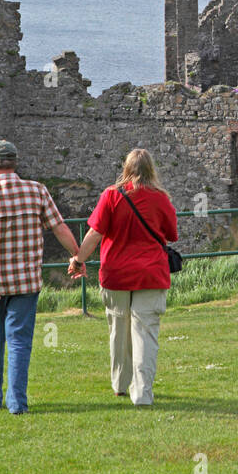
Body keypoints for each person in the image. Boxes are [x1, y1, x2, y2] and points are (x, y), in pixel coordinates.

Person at [0, 139, 80, 414]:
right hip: (27, 282)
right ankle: (17, 403)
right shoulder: (37, 191)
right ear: (14, 163)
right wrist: (77, 256)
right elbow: (59, 227)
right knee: (19, 341)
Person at [68, 148, 178, 406]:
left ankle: (120, 383)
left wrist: (78, 260)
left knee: (118, 330)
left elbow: (94, 233)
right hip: (150, 273)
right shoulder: (161, 198)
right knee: (145, 334)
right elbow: (172, 234)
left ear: (126, 168)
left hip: (116, 273)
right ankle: (141, 394)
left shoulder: (111, 196)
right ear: (151, 169)